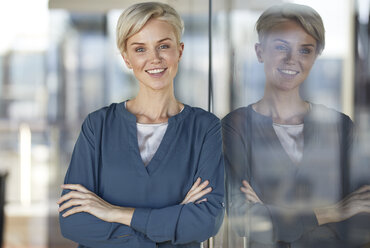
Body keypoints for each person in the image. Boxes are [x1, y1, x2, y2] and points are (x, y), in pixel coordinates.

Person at [58, 2, 224, 248]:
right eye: (140, 49)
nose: (154, 59)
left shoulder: (205, 128)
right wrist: (170, 225)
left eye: (164, 46)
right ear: (126, 58)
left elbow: (207, 221)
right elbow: (73, 221)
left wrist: (113, 212)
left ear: (180, 50)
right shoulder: (98, 126)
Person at [222, 3, 370, 248]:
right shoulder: (236, 126)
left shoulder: (340, 126)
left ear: (316, 57)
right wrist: (335, 211)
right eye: (281, 47)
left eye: (305, 50)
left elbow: (363, 217)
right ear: (260, 52)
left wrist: (274, 214)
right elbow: (246, 220)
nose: (292, 59)